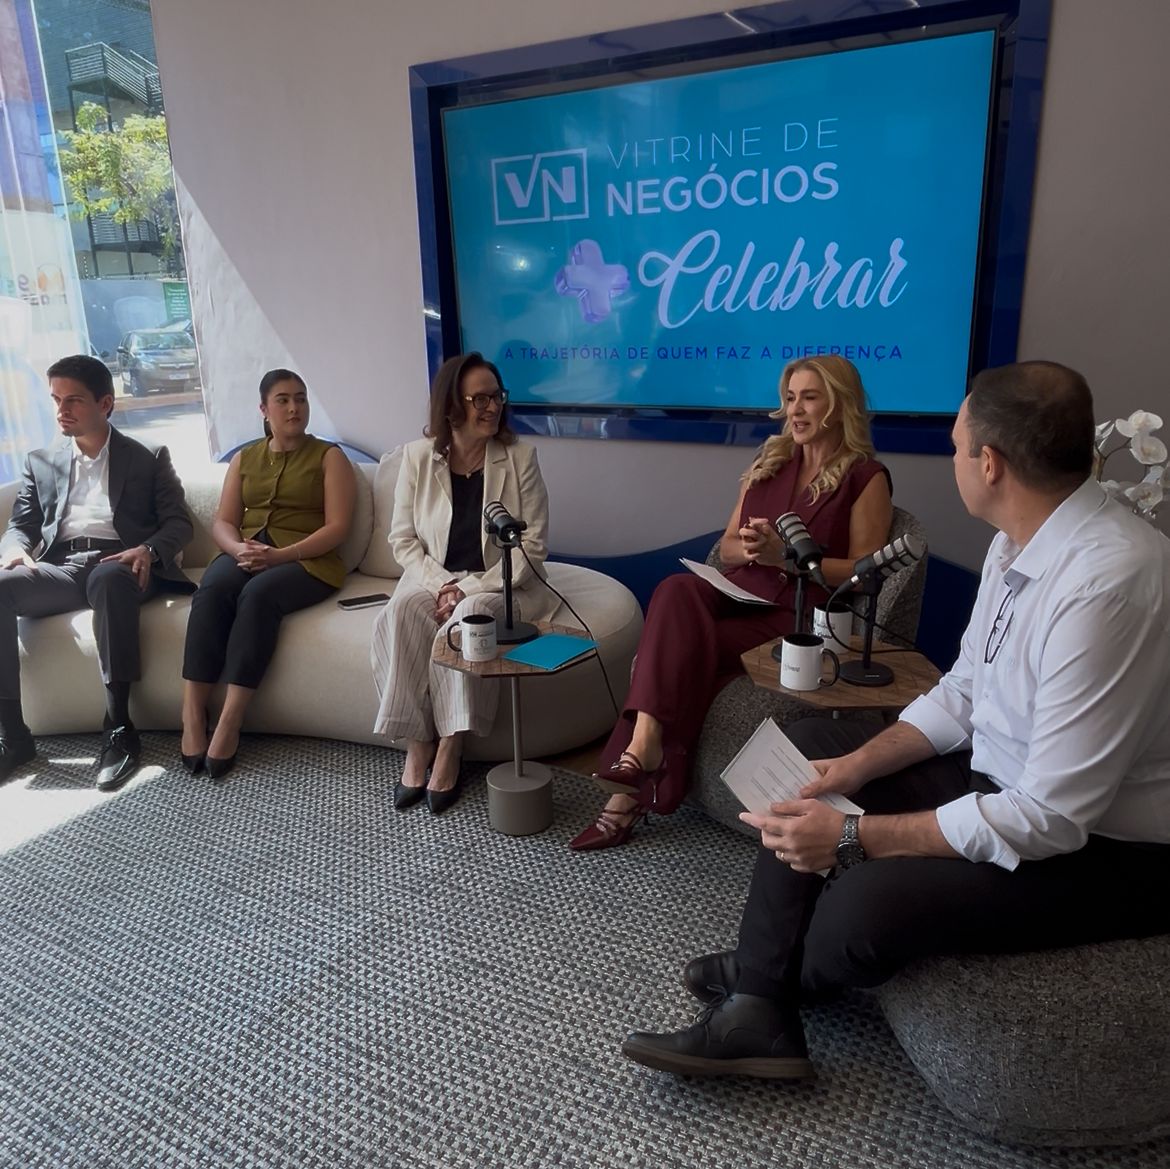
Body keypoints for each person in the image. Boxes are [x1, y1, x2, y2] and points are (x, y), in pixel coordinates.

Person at [621, 361, 1170, 1080]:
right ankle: (760, 1004)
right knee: (807, 755)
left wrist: (854, 834)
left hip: (1103, 848)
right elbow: (963, 690)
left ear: (990, 464)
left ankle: (773, 970)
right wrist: (851, 769)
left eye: (955, 446)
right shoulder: (1019, 540)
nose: (952, 458)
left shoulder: (1109, 582)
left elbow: (1051, 817)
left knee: (862, 905)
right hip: (998, 776)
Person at [571, 355, 893, 851]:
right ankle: (645, 747)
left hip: (795, 617)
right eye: (790, 398)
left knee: (681, 657)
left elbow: (863, 572)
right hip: (738, 593)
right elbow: (725, 547)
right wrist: (745, 549)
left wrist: (787, 559)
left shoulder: (864, 477)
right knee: (675, 589)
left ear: (840, 404)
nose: (795, 410)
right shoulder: (770, 462)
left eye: (809, 398)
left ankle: (630, 786)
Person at [370, 352, 554, 815]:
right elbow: (402, 539)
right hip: (434, 577)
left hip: (498, 582)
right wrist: (443, 584)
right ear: (452, 406)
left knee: (469, 618)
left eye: (497, 396)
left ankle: (452, 744)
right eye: (480, 399)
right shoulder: (418, 457)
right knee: (401, 611)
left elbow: (532, 547)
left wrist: (464, 593)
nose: (493, 407)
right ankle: (418, 743)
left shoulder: (520, 458)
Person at [0, 354, 194, 790]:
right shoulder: (40, 461)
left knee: (108, 579)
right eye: (56, 400)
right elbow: (21, 526)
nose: (61, 411)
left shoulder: (147, 456)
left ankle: (119, 728)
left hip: (122, 563)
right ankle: (12, 736)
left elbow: (178, 523)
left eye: (73, 401)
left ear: (105, 404)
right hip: (63, 567)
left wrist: (148, 550)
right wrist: (14, 550)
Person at [180, 369, 356, 779]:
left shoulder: (329, 457)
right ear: (264, 409)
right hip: (248, 552)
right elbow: (224, 521)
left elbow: (337, 528)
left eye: (301, 398)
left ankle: (230, 719)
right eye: (283, 400)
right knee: (212, 589)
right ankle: (192, 713)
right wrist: (237, 549)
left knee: (258, 596)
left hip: (308, 561)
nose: (294, 408)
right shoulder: (245, 458)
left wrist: (279, 557)